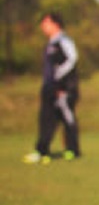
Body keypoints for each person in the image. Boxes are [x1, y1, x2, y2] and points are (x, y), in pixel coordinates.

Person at [23, 12, 81, 164]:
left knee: (67, 118)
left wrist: (60, 81)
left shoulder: (64, 41)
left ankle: (72, 150)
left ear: (56, 24)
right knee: (45, 119)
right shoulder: (50, 44)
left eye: (46, 22)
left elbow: (72, 60)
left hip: (62, 88)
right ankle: (42, 151)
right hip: (49, 87)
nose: (43, 26)